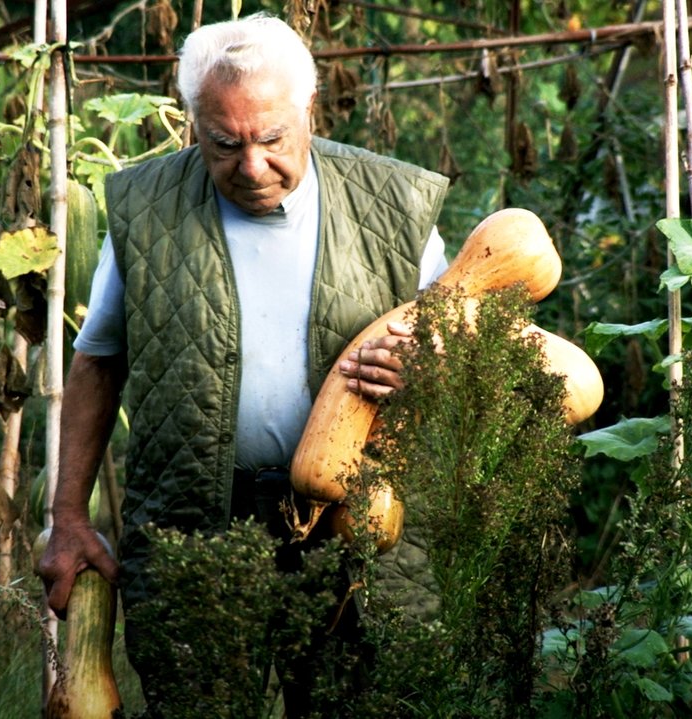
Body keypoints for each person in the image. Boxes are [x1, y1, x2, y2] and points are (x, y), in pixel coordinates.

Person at [37, 12, 449, 715]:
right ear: (192, 122)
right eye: (224, 144)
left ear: (309, 110)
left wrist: (428, 365)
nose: (251, 166)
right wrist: (68, 515)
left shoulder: (392, 203)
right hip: (194, 525)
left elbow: (450, 340)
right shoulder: (147, 207)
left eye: (272, 139)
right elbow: (98, 361)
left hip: (355, 526)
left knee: (362, 700)